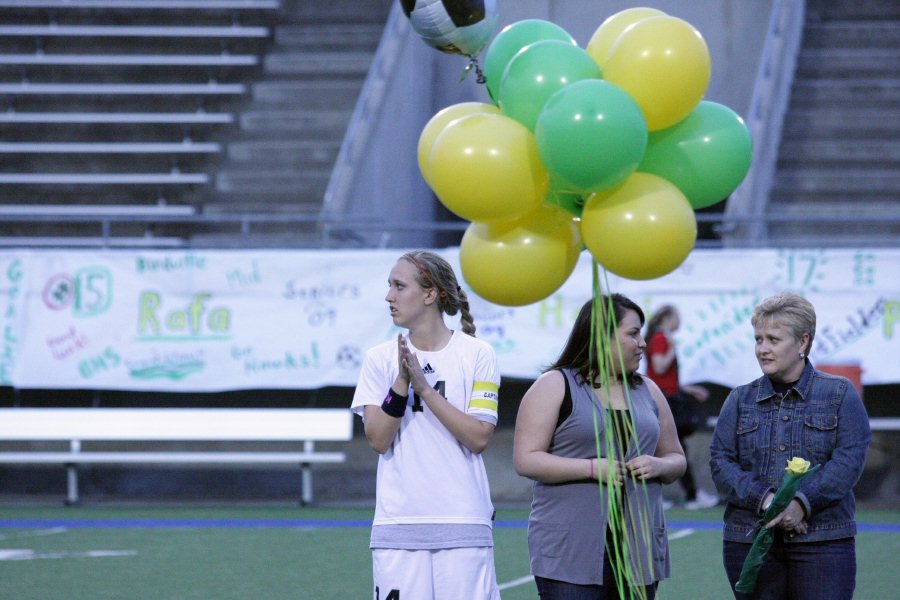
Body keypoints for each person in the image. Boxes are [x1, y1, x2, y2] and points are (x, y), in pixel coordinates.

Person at [350, 250, 502, 600]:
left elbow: (478, 437)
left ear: (430, 294)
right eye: (390, 286)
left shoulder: (478, 354)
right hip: (397, 527)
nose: (389, 296)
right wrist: (401, 383)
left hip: (463, 526)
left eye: (399, 286)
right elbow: (378, 439)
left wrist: (424, 387)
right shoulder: (378, 359)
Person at [514, 295, 687, 599]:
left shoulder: (648, 389)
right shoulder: (555, 384)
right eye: (633, 333)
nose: (643, 343)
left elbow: (677, 459)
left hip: (638, 551)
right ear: (601, 335)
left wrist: (658, 465)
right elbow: (526, 460)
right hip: (570, 551)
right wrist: (592, 468)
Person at [709, 292, 871, 600]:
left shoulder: (839, 394)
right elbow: (720, 462)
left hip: (822, 542)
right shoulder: (739, 399)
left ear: (802, 342)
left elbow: (848, 461)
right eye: (758, 339)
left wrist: (801, 503)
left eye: (773, 339)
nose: (763, 349)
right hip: (749, 540)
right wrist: (768, 500)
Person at [644, 304, 719, 510]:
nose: (680, 322)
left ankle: (688, 494)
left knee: (670, 447)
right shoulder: (660, 339)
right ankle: (689, 495)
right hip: (665, 400)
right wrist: (672, 351)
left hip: (667, 397)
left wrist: (689, 389)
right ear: (666, 318)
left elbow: (663, 376)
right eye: (676, 317)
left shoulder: (660, 338)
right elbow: (659, 367)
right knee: (671, 448)